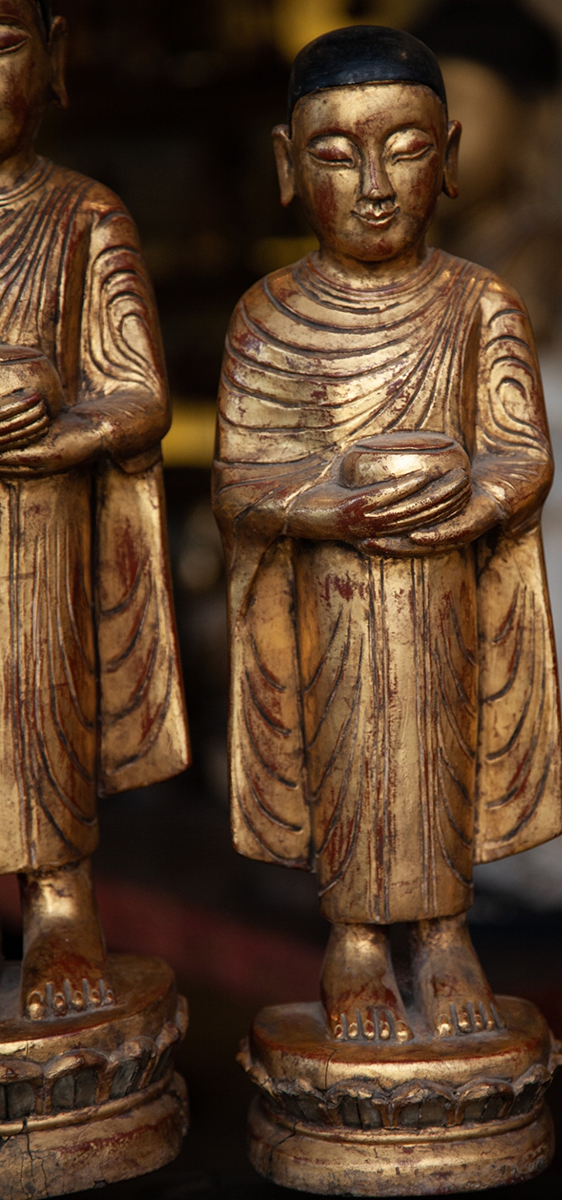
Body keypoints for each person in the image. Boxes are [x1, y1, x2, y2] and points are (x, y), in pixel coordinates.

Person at [213, 25, 562, 1044]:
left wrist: (464, 502)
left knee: (444, 756)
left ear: (446, 158)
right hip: (331, 605)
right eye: (334, 154)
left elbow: (522, 456)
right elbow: (239, 480)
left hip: (446, 597)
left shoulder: (479, 305)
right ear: (286, 166)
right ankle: (357, 939)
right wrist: (334, 509)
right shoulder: (266, 317)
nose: (373, 184)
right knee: (346, 760)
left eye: (404, 149)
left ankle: (445, 930)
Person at [0, 0, 189, 1020]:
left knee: (41, 710)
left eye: (0, 47)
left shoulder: (84, 216)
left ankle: (59, 903)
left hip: (40, 529)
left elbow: (141, 395)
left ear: (56, 55)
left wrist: (55, 429)